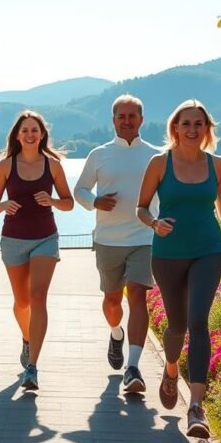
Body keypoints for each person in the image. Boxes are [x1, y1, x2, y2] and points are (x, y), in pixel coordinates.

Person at [135, 99, 221, 439]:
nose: (192, 129)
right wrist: (154, 223)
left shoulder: (218, 166)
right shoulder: (159, 164)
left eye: (199, 124)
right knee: (177, 325)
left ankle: (196, 408)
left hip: (207, 250)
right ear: (175, 128)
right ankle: (171, 370)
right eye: (186, 123)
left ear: (207, 129)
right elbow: (140, 208)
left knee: (198, 322)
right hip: (168, 253)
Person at [74, 94, 159, 394]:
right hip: (108, 240)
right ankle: (116, 332)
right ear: (113, 120)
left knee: (137, 296)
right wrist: (94, 200)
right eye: (121, 116)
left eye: (132, 116)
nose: (126, 120)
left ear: (141, 119)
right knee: (112, 300)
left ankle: (133, 367)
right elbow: (80, 190)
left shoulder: (156, 155)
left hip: (144, 238)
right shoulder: (99, 154)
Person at [0, 110, 73, 391]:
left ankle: (33, 367)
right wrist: (2, 206)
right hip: (13, 239)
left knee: (38, 297)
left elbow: (69, 202)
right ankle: (27, 338)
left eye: (34, 129)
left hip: (45, 238)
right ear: (17, 135)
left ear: (42, 134)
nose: (29, 134)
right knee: (22, 302)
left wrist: (52, 200)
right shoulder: (5, 166)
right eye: (24, 130)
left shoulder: (54, 165)